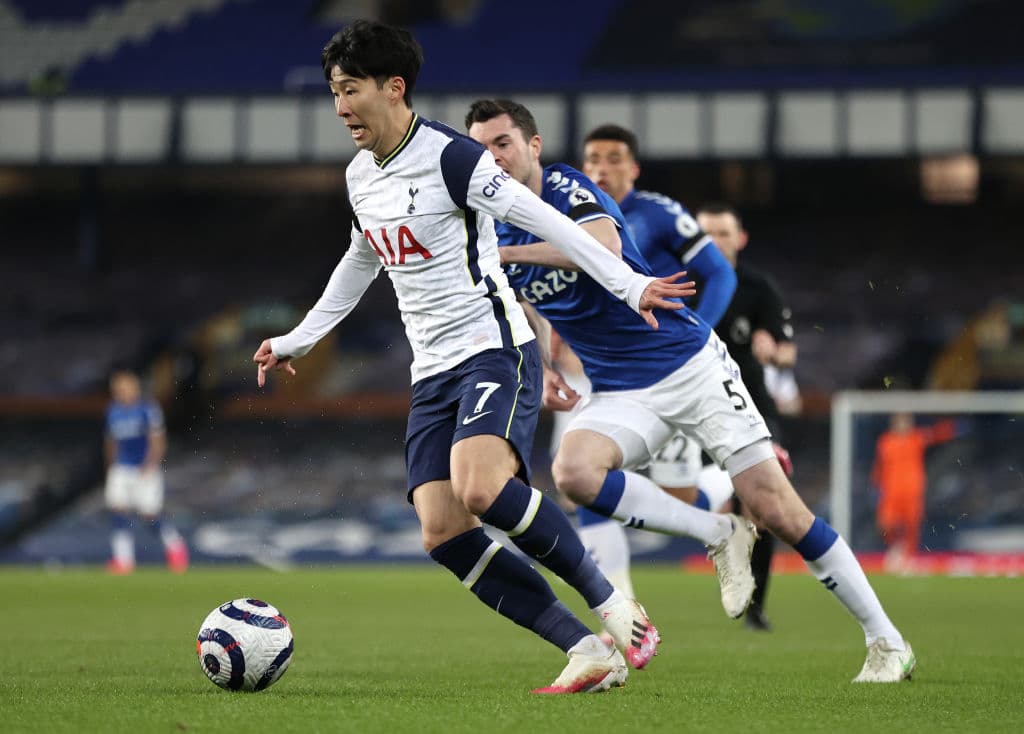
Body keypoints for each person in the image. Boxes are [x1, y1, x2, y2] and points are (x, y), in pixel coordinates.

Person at [253, 20, 695, 695]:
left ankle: (613, 603)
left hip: (494, 348)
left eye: (350, 90)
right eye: (334, 92)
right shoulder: (360, 175)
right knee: (442, 531)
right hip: (431, 371)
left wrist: (631, 284)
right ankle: (586, 649)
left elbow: (549, 222)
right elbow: (361, 258)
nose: (340, 107)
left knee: (481, 487)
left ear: (393, 87)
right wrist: (300, 338)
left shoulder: (452, 158)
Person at [466, 98, 916, 683]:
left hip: (689, 366)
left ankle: (887, 641)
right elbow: (531, 298)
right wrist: (547, 358)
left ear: (534, 146)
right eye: (479, 147)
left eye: (501, 143)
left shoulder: (565, 188)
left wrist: (504, 252)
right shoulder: (491, 219)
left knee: (778, 509)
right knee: (573, 473)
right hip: (620, 388)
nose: (491, 157)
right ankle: (718, 531)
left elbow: (599, 248)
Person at [693, 202, 800, 630]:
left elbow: (788, 350)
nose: (715, 241)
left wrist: (772, 350)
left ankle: (755, 604)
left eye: (723, 233)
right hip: (692, 409)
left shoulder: (758, 287)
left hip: (750, 407)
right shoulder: (678, 282)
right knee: (706, 498)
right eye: (706, 233)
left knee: (765, 505)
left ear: (740, 239)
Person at [104, 368, 188, 574]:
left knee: (149, 514)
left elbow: (157, 439)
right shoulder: (113, 411)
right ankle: (123, 559)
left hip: (144, 467)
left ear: (135, 388)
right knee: (118, 509)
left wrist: (150, 464)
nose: (123, 391)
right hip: (121, 467)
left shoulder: (147, 409)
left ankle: (175, 545)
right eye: (119, 388)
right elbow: (111, 441)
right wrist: (111, 466)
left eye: (126, 387)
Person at [871, 413, 957, 573]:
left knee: (912, 525)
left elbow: (935, 435)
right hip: (891, 491)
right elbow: (879, 465)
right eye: (900, 422)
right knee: (886, 524)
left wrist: (951, 428)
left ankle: (907, 556)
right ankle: (895, 549)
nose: (903, 425)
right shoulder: (885, 441)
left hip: (912, 491)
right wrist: (876, 483)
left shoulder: (916, 438)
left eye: (906, 422)